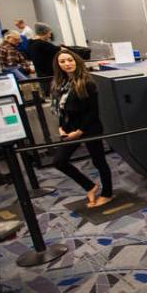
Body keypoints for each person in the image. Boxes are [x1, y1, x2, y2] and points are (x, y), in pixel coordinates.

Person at [51, 49, 113, 208]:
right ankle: (89, 186)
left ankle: (107, 193)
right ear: (58, 65)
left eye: (70, 60)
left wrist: (79, 132)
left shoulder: (87, 82)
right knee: (59, 161)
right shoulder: (60, 84)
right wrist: (61, 128)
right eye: (62, 61)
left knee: (99, 161)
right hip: (69, 128)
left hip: (89, 127)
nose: (67, 64)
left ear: (77, 61)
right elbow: (61, 109)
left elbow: (93, 111)